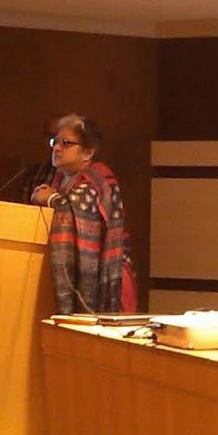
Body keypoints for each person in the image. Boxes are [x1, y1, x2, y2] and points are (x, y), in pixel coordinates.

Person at [31, 114, 137, 314]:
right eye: (55, 141)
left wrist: (51, 199)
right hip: (73, 272)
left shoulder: (100, 179)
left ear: (88, 152)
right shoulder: (59, 179)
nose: (56, 148)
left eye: (66, 143)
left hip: (106, 276)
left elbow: (78, 208)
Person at [20, 117, 59, 204]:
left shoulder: (84, 177)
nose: (54, 144)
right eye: (50, 137)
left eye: (64, 140)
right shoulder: (34, 172)